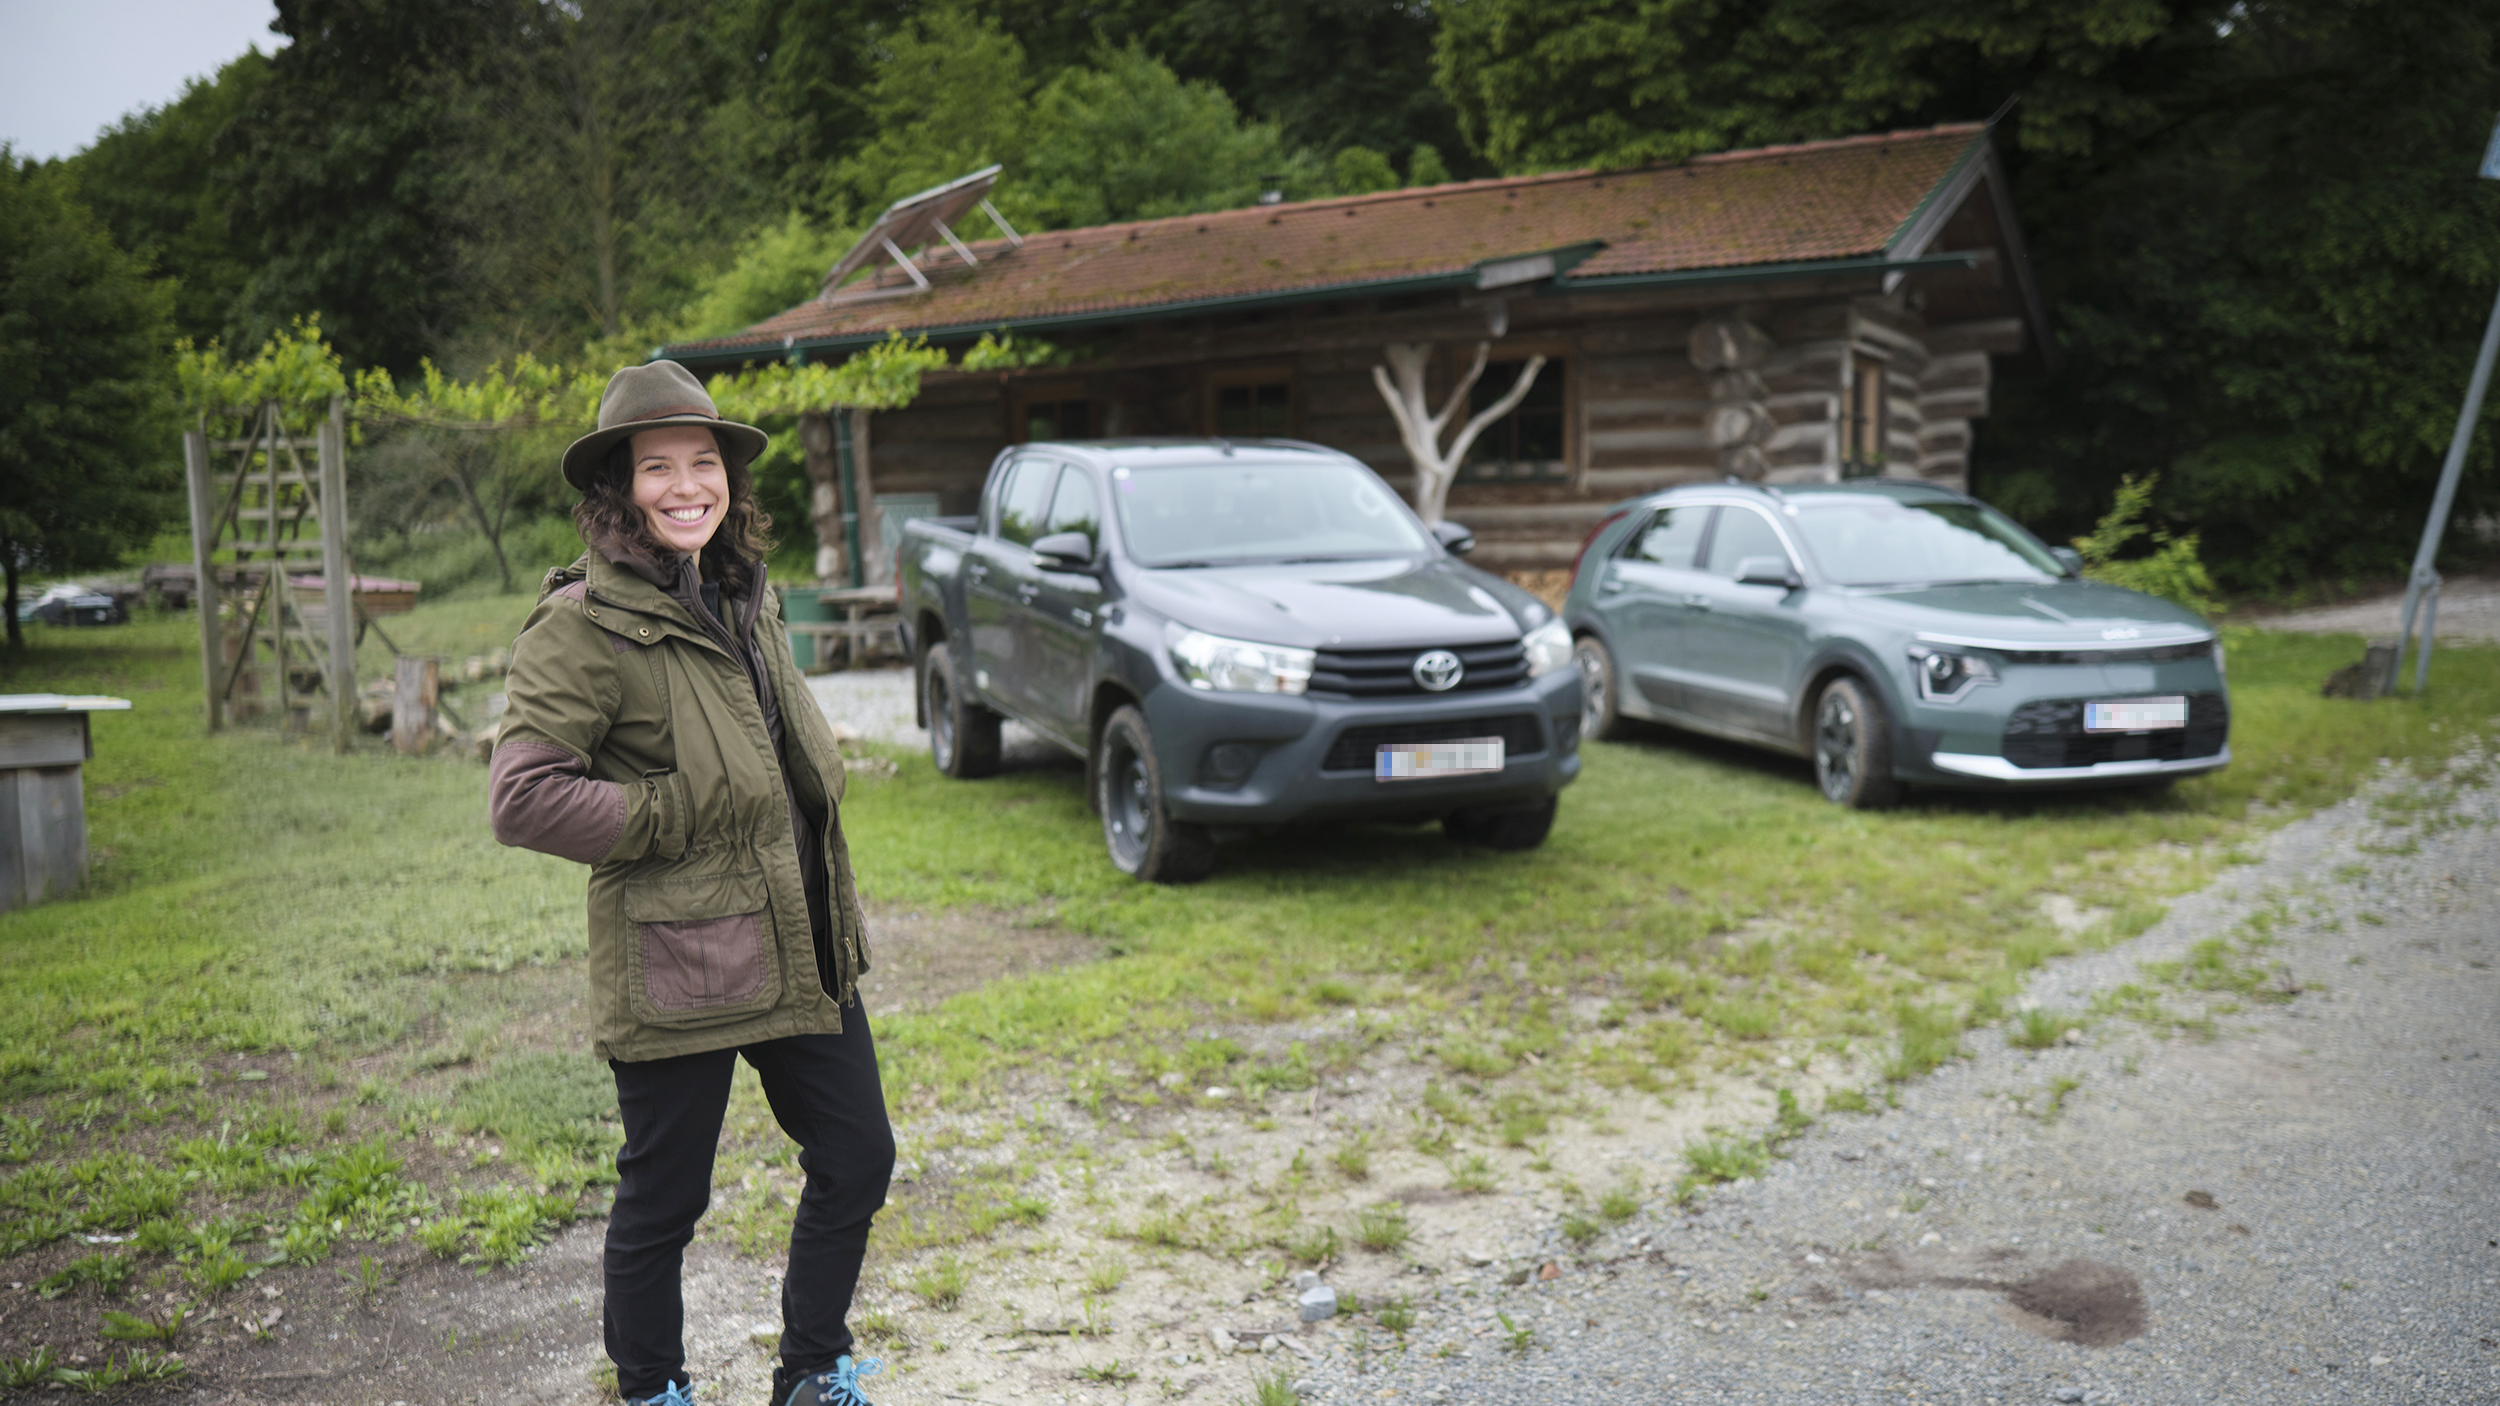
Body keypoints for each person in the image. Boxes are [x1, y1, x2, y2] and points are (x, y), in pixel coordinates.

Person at [488, 361, 894, 1406]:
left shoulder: (744, 593)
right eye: (656, 466)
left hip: (798, 930)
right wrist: (668, 810)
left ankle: (811, 1367)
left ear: (728, 480)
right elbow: (522, 798)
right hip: (683, 954)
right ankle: (653, 1387)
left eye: (702, 462)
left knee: (857, 1152)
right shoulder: (580, 626)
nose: (684, 485)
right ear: (618, 490)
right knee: (666, 1198)